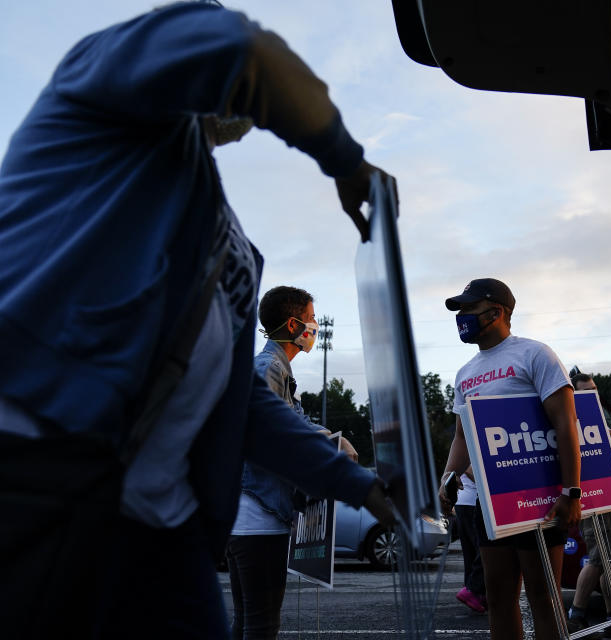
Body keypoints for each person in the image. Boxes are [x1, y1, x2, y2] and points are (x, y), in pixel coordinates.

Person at [0, 3, 395, 637]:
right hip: (37, 473)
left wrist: (359, 484)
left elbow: (234, 403)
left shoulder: (220, 224)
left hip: (161, 527)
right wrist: (346, 163)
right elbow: (245, 50)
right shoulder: (97, 80)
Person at [438, 278, 581, 640]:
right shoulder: (465, 372)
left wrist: (571, 491)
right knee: (498, 596)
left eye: (468, 309)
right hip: (492, 503)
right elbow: (461, 435)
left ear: (496, 311)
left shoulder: (535, 354)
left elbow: (566, 423)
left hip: (539, 500)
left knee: (542, 597)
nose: (463, 317)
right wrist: (446, 479)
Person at [227, 286, 359, 639]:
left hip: (250, 519)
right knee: (261, 627)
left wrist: (329, 435)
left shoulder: (272, 368)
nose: (315, 326)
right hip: (259, 520)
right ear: (292, 324)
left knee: (245, 624)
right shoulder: (268, 367)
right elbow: (270, 434)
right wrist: (328, 444)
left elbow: (288, 423)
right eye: (312, 319)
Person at [567, 373, 611, 638]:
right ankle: (576, 615)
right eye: (585, 391)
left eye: (594, 389)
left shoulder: (598, 415)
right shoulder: (570, 419)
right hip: (590, 497)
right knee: (598, 557)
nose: (592, 394)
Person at [453, 470, 487, 613]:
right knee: (484, 549)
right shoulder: (468, 447)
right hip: (472, 502)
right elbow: (469, 469)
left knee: (471, 551)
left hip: (462, 501)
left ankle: (474, 592)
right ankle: (472, 590)